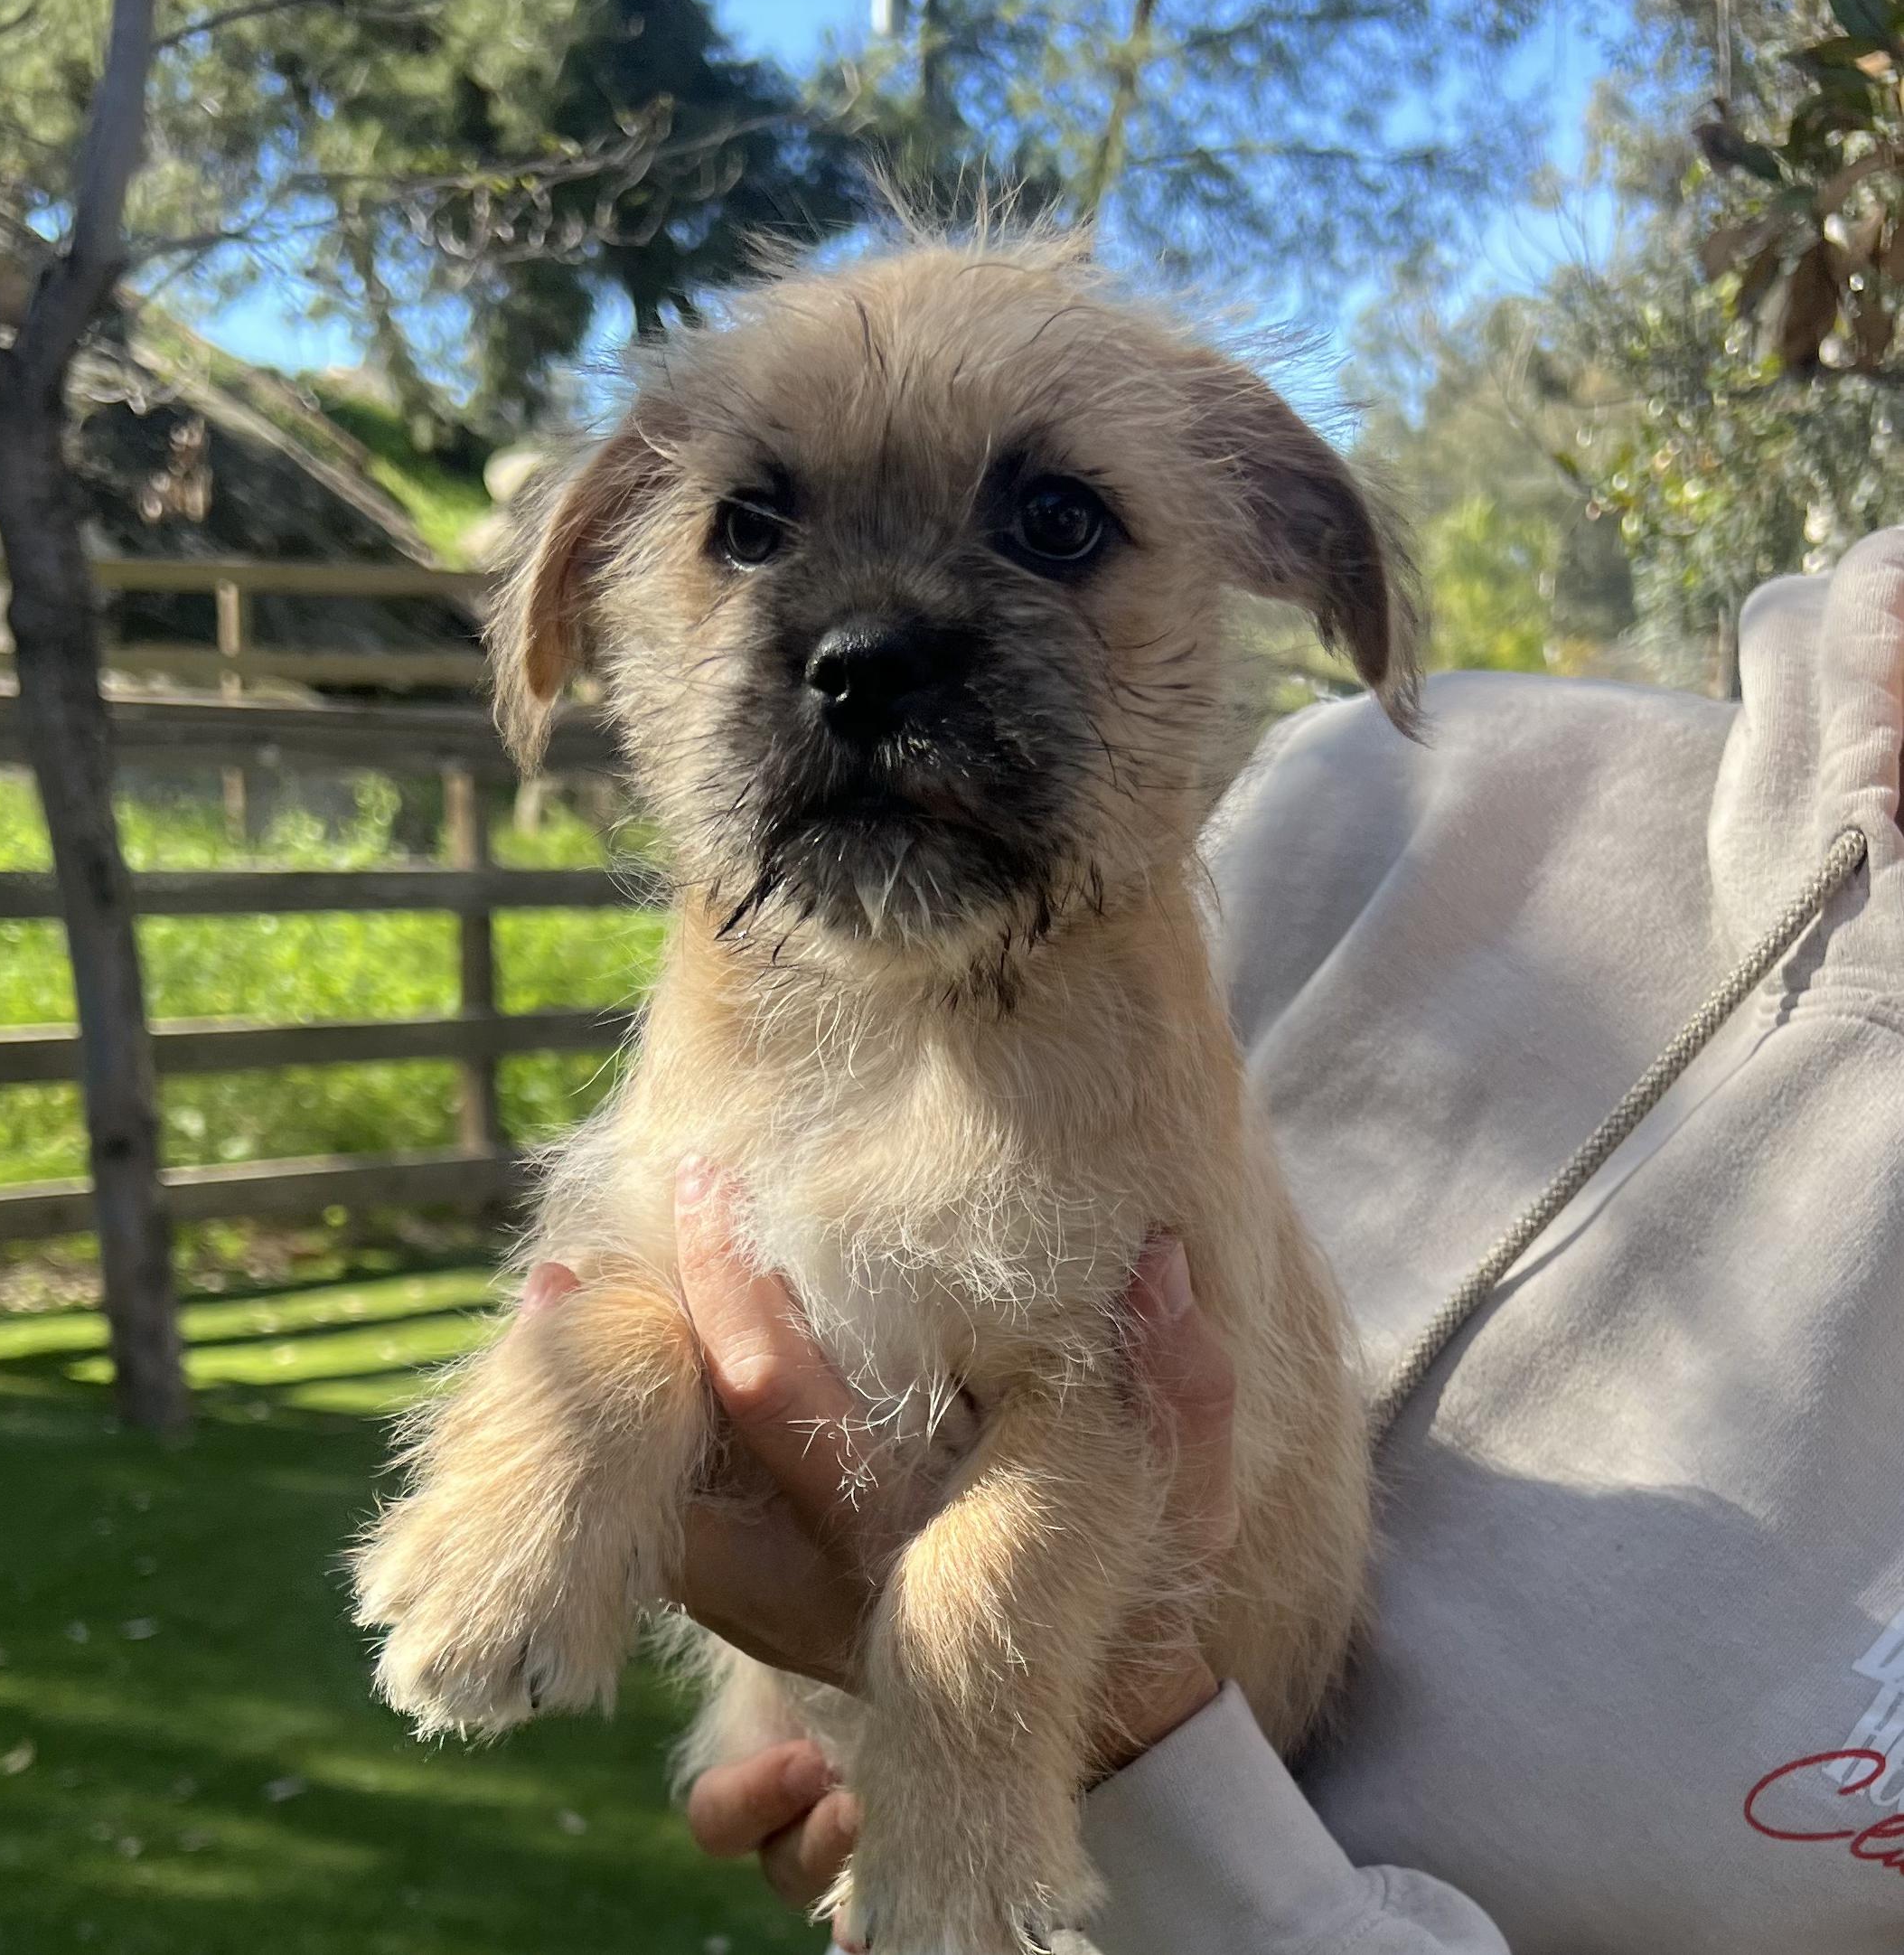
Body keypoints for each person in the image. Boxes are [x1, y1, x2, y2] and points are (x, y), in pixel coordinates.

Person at [533, 529, 1904, 1953]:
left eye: (1053, 524)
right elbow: (841, 1260)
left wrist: (1092, 1761)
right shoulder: (1409, 785)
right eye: (753, 531)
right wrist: (864, 1721)